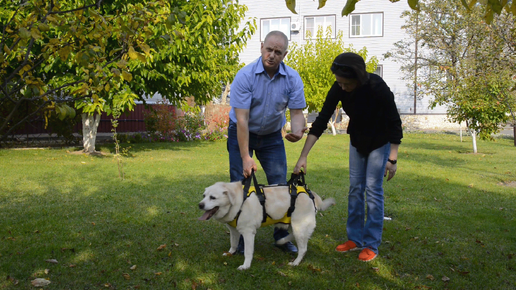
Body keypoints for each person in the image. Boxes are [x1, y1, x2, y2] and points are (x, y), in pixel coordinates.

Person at [293, 52, 403, 262]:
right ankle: (355, 239)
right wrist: (303, 156)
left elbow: (394, 122)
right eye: (339, 83)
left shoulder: (377, 87)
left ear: (358, 78)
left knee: (372, 190)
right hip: (357, 140)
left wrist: (392, 158)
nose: (341, 88)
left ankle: (371, 243)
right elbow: (322, 119)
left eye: (346, 83)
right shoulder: (339, 87)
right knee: (355, 189)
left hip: (380, 141)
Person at [227, 30, 307, 254]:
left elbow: (297, 112)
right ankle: (242, 238)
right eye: (269, 49)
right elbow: (242, 120)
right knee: (240, 184)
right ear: (261, 47)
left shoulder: (292, 78)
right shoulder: (245, 76)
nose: (272, 55)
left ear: (285, 54)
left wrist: (299, 131)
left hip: (272, 135)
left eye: (278, 52)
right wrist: (245, 157)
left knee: (279, 187)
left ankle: (281, 236)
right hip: (241, 131)